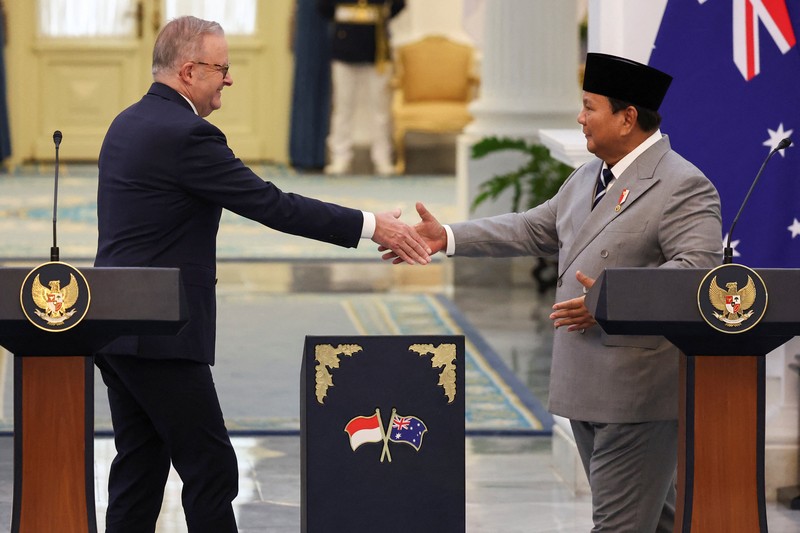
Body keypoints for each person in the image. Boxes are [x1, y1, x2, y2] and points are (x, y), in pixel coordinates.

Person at [93, 16, 430, 532]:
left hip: (114, 324)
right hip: (160, 332)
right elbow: (271, 204)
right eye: (221, 68)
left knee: (139, 469)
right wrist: (371, 226)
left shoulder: (127, 122)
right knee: (210, 468)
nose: (229, 78)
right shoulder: (188, 134)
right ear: (188, 71)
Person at [385, 53, 723, 532]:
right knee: (655, 520)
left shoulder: (682, 184)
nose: (580, 118)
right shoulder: (589, 175)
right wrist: (449, 237)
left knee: (619, 525)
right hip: (586, 384)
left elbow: (697, 272)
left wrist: (609, 300)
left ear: (627, 118)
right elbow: (530, 228)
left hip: (637, 393)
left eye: (589, 107)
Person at [317, 0, 405, 175]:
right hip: (345, 43)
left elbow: (398, 4)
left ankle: (382, 157)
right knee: (343, 108)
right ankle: (340, 157)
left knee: (381, 109)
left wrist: (382, 16)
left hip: (376, 46)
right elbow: (323, 7)